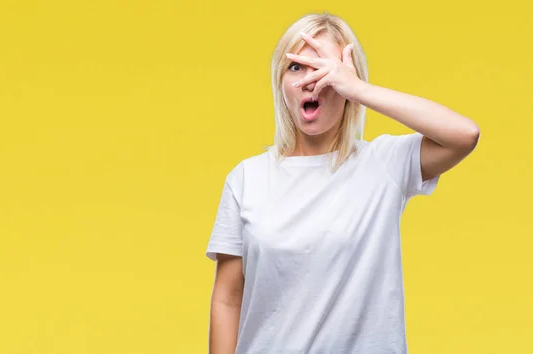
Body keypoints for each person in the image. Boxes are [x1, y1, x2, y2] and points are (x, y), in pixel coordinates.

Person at [205, 12, 480, 354]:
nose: (312, 79)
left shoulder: (384, 164)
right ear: (281, 83)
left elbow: (464, 135)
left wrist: (358, 89)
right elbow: (228, 299)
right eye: (297, 67)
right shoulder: (246, 179)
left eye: (325, 66)